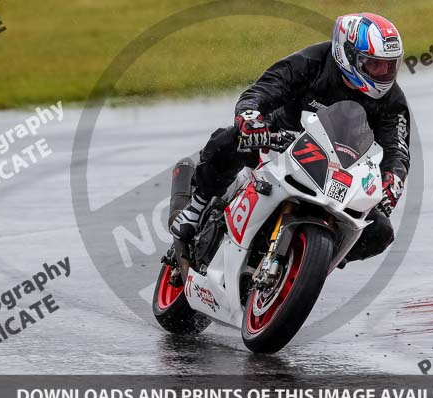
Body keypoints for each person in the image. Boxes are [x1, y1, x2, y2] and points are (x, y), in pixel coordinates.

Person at [170, 13, 411, 264]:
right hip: (279, 145)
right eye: (374, 64)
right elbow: (263, 90)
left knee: (380, 231)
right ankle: (195, 208)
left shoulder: (392, 101)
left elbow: (397, 150)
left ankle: (312, 260)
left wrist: (391, 181)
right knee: (229, 139)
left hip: (338, 170)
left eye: (390, 65)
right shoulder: (312, 61)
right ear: (347, 54)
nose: (383, 73)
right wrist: (251, 119)